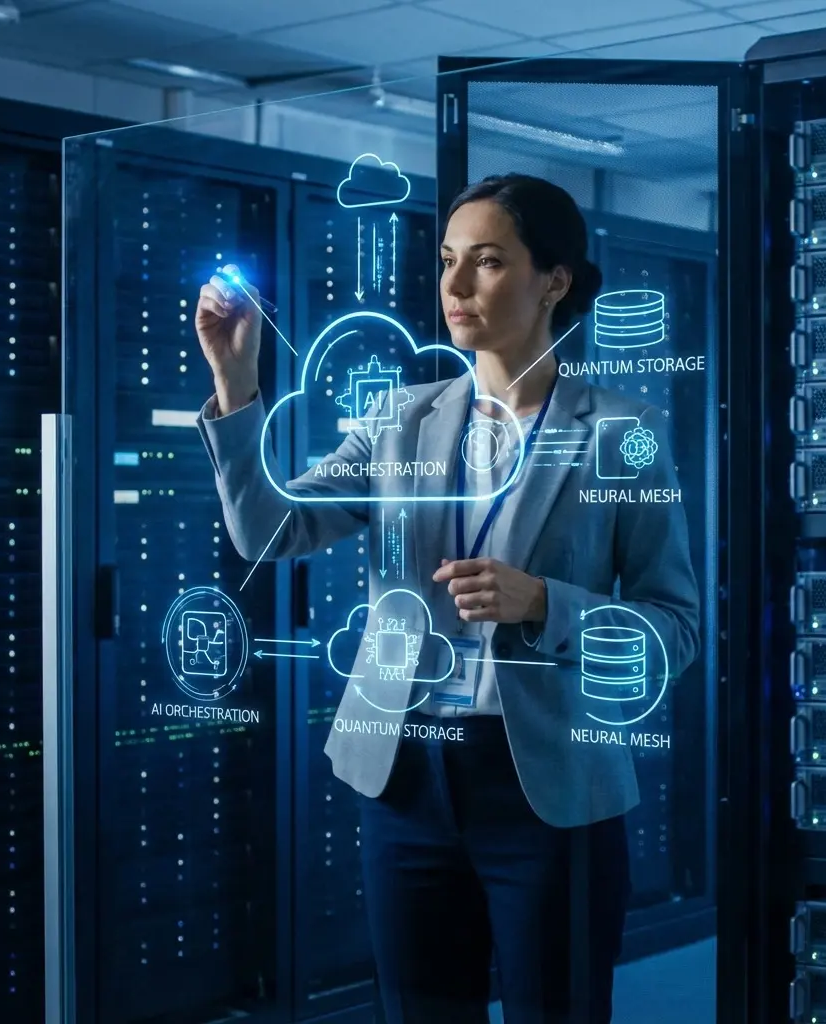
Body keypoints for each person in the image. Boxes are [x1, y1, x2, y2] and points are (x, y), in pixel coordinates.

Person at [195, 173, 700, 1024]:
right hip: (404, 775)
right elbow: (269, 532)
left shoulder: (622, 430)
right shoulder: (401, 418)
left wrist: (544, 602)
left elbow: (675, 630)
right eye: (447, 261)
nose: (456, 286)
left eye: (489, 262)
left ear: (555, 280)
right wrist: (237, 385)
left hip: (547, 787)